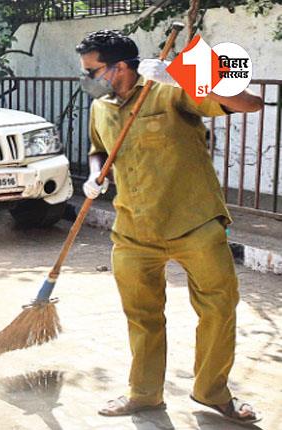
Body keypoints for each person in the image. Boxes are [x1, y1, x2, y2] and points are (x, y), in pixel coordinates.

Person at [76, 30, 263, 423]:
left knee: (218, 307)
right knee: (142, 316)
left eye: (91, 70)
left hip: (194, 223)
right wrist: (95, 177)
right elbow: (99, 151)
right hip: (133, 229)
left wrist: (183, 78)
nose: (86, 78)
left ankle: (212, 392)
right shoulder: (102, 108)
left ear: (121, 66)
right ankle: (144, 394)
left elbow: (249, 102)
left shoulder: (168, 91)